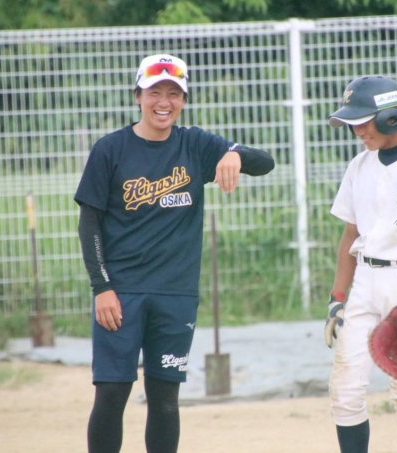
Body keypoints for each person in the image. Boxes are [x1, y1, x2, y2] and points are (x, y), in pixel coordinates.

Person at [74, 53, 275, 453]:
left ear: (183, 100)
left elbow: (265, 162)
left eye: (173, 93)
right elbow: (89, 223)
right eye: (154, 92)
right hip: (122, 293)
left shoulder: (195, 145)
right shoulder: (110, 149)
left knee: (165, 399)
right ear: (137, 96)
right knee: (112, 393)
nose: (163, 102)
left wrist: (234, 153)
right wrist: (102, 287)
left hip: (176, 294)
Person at [324, 74, 397, 453]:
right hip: (365, 280)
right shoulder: (359, 166)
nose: (357, 131)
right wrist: (337, 297)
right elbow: (350, 235)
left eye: (364, 121)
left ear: (391, 116)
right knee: (344, 388)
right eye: (352, 123)